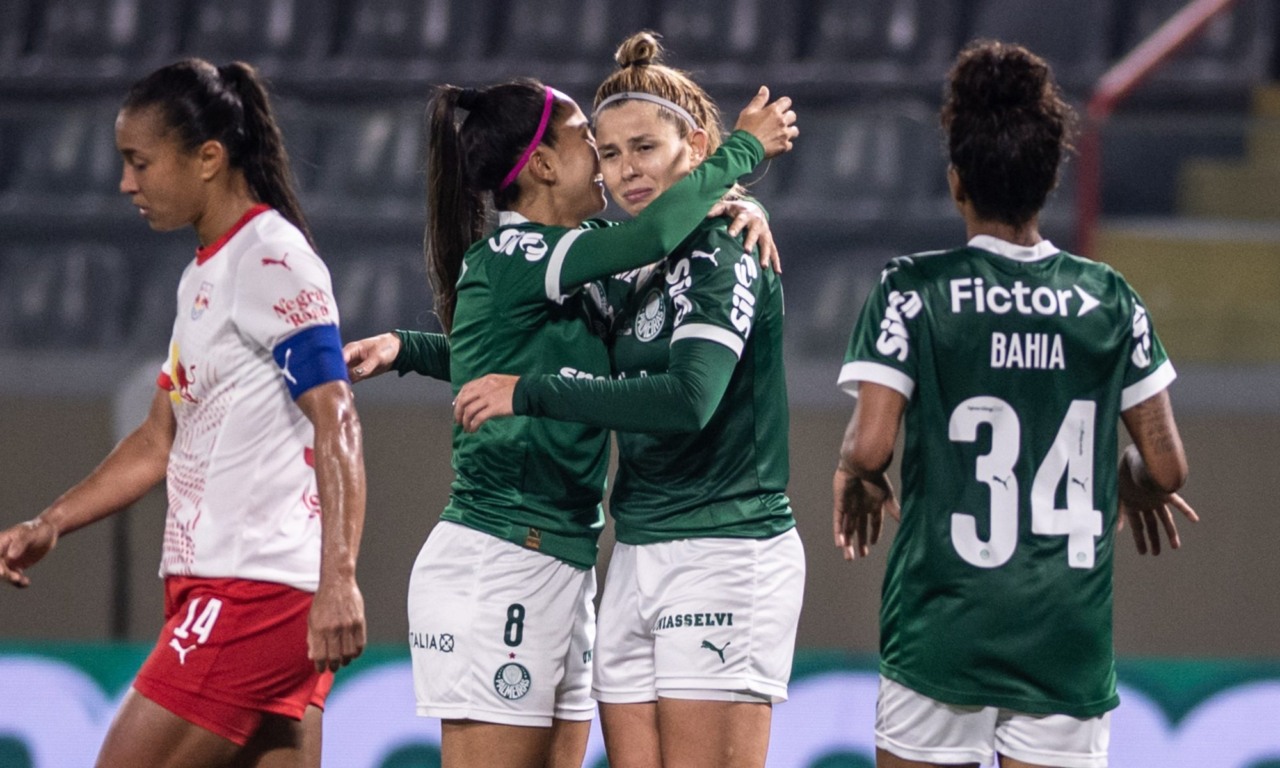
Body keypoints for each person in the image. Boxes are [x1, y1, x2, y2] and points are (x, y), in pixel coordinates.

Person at [344, 77, 796, 768]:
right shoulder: (531, 253)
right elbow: (647, 238)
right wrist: (739, 155)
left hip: (568, 560)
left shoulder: (583, 257)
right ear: (546, 165)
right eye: (595, 142)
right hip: (501, 556)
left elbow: (507, 361)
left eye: (636, 146)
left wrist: (409, 348)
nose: (612, 163)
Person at [830, 40, 1198, 768]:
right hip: (1065, 636)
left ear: (956, 181)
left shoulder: (913, 289)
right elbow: (1168, 467)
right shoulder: (1108, 297)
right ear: (1047, 180)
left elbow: (871, 448)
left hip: (944, 623)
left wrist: (856, 472)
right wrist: (1127, 477)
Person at [0, 59, 367, 768]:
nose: (125, 184)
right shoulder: (205, 274)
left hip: (254, 590)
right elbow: (156, 438)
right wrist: (52, 523)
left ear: (207, 157)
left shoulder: (271, 260)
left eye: (139, 162)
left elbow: (338, 417)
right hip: (238, 589)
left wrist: (341, 578)